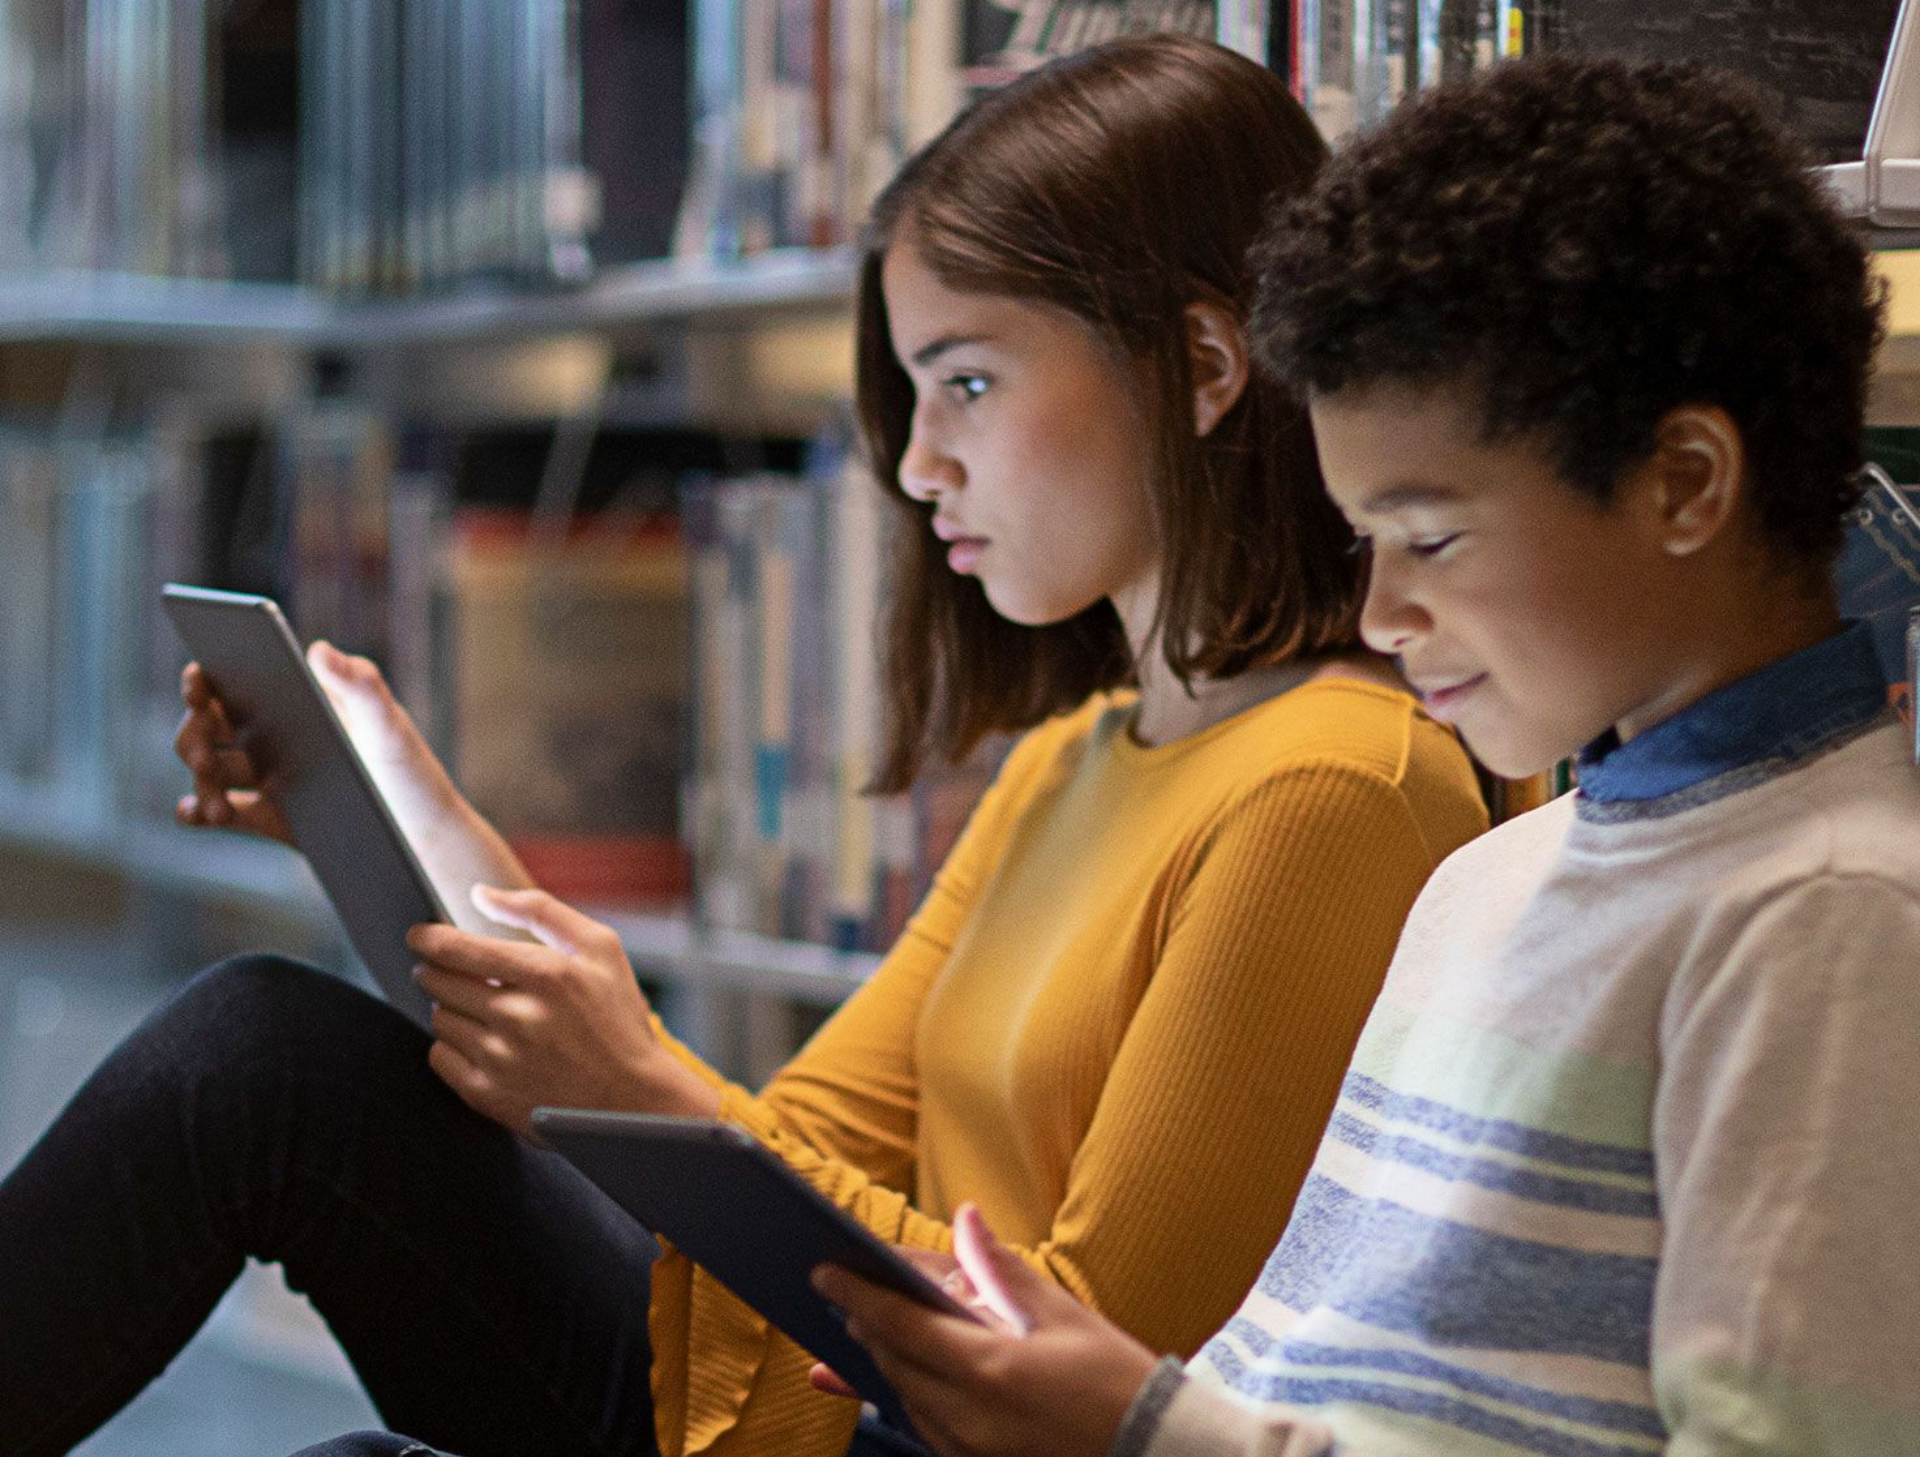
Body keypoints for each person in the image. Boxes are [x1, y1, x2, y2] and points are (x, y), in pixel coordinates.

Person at [0, 35, 1488, 1457]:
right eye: (912, 397)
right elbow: (785, 1145)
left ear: (1204, 364)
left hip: (926, 1433)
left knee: (260, 1061)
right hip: (807, 1399)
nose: (916, 466)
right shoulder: (1075, 757)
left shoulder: (1334, 791)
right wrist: (399, 810)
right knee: (270, 1063)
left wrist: (646, 1083)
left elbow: (1084, 1366)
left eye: (966, 381)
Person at [811, 52, 1920, 1457]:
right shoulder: (1496, 879)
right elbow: (1308, 1392)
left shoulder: (1828, 923)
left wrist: (1139, 1430)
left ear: (1685, 484)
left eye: (1433, 539)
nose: (1385, 615)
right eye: (1365, 542)